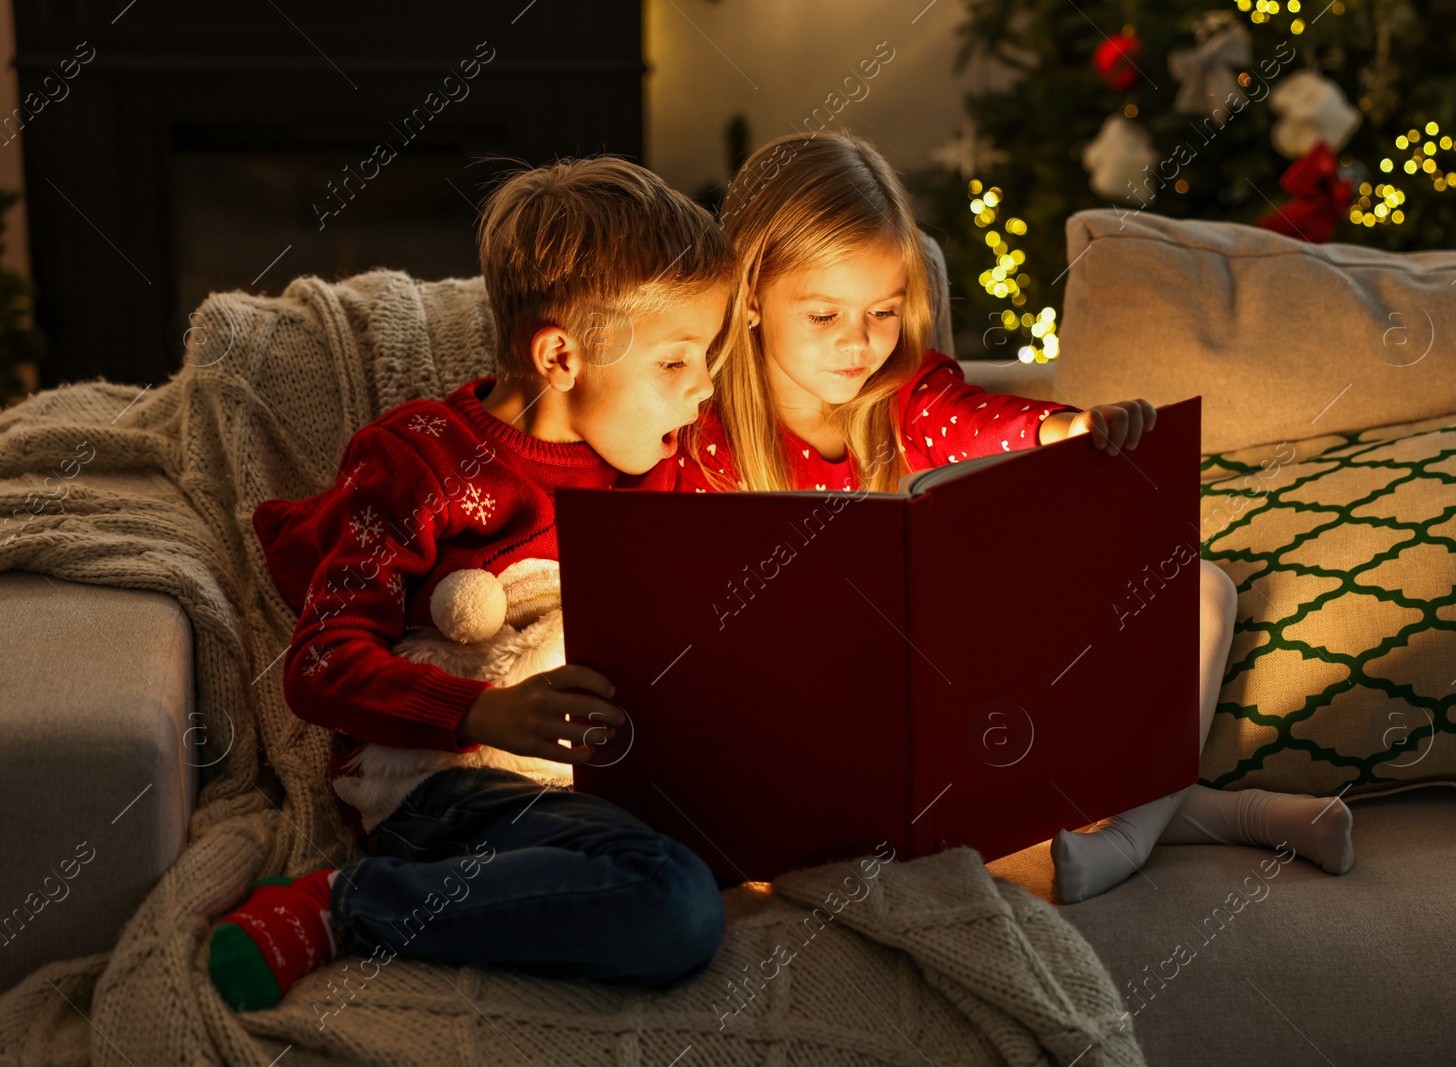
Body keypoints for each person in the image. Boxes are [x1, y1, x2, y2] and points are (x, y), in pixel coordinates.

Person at [680, 130, 1355, 904]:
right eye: (825, 315)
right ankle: (1211, 819)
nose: (859, 343)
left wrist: (1067, 429)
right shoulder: (704, 439)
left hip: (973, 699)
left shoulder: (909, 393)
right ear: (755, 296)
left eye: (884, 311)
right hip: (835, 734)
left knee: (1203, 589)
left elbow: (976, 418)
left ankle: (1133, 832)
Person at [208, 156, 736, 1012]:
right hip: (444, 787)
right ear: (560, 356)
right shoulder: (422, 463)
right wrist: (483, 711)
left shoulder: (665, 470)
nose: (706, 387)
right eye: (677, 362)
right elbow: (320, 660)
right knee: (672, 903)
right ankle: (344, 905)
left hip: (602, 782)